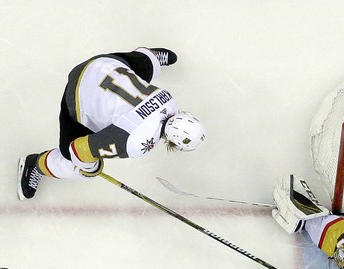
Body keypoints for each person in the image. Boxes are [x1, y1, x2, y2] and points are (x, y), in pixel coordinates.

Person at [18, 47, 205, 201]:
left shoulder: (170, 100)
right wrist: (91, 168)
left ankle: (150, 58)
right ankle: (35, 165)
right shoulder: (137, 142)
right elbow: (79, 149)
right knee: (75, 161)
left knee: (139, 66)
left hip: (102, 63)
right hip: (76, 94)